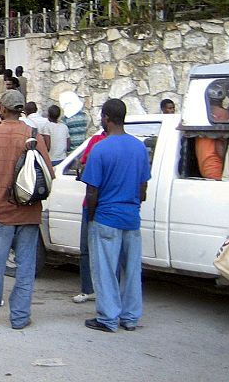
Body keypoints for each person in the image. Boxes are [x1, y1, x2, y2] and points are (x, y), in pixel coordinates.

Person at [0, 90, 53, 329]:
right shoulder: (33, 136)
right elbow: (48, 174)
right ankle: (20, 317)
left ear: (2, 109)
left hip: (1, 210)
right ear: (21, 109)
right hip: (29, 211)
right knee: (26, 265)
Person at [82, 99, 150, 333]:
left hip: (107, 217)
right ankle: (130, 317)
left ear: (106, 118)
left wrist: (92, 217)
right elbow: (143, 189)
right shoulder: (139, 147)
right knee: (131, 271)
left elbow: (92, 191)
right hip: (131, 218)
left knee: (105, 270)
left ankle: (108, 317)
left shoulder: (100, 149)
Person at [72, 128, 106, 304]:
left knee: (105, 252)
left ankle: (104, 292)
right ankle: (88, 289)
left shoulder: (99, 144)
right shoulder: (96, 140)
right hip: (93, 205)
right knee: (87, 250)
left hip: (99, 206)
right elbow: (84, 167)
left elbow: (85, 171)